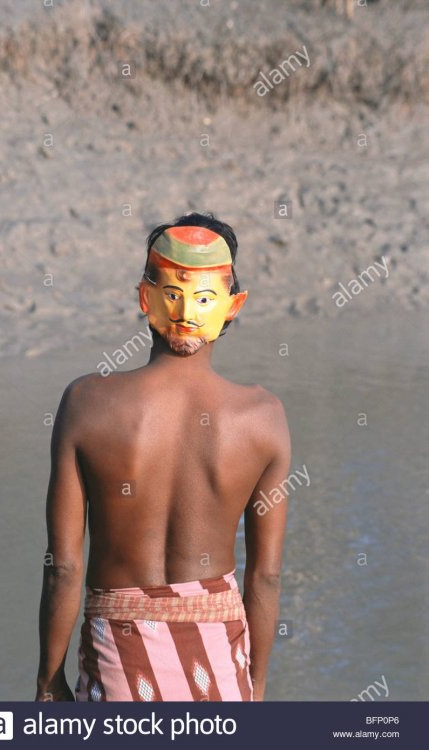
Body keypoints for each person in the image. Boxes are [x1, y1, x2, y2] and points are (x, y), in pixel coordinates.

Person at [35, 212, 291, 702]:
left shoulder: (86, 403)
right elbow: (267, 575)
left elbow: (63, 566)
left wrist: (49, 681)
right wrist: (255, 687)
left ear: (143, 297)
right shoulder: (263, 418)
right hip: (218, 658)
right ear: (234, 307)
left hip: (119, 655)